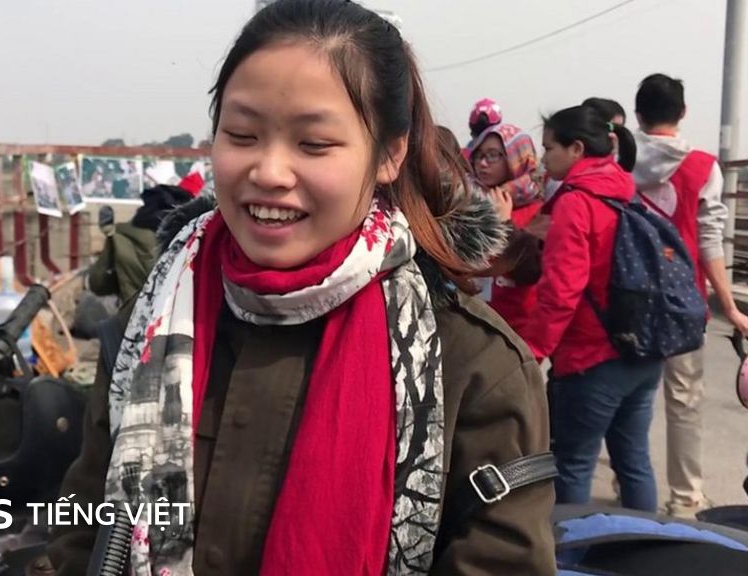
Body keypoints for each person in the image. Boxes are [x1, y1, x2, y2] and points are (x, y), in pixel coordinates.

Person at [48, 1, 554, 574]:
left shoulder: (473, 365)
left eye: (313, 144)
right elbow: (83, 525)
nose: (268, 172)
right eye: (241, 135)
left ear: (390, 154)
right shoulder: (152, 322)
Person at [524, 105, 661, 512]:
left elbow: (561, 290)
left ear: (577, 149)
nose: (544, 157)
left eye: (550, 148)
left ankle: (572, 548)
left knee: (572, 465)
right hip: (641, 349)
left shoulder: (577, 201)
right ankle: (643, 545)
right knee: (634, 462)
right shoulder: (625, 190)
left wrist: (533, 351)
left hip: (592, 356)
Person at [632, 73, 748, 518]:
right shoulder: (703, 167)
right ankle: (684, 499)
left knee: (633, 398)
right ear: (682, 113)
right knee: (683, 403)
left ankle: (631, 480)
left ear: (638, 114)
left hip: (627, 299)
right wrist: (730, 307)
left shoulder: (621, 160)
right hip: (684, 303)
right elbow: (710, 241)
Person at [468, 123, 544, 337]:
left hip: (517, 330)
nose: (483, 163)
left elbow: (530, 271)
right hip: (475, 325)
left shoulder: (538, 211)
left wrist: (505, 223)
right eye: (479, 155)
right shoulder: (470, 202)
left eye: (493, 155)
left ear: (517, 158)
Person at [86, 183, 198, 302]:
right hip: (176, 311)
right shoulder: (189, 242)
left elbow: (97, 284)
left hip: (132, 311)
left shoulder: (120, 238)